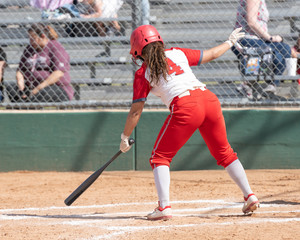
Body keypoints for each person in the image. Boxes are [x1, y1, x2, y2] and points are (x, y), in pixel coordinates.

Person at [119, 25, 260, 220]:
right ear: (160, 41)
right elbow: (210, 54)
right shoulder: (177, 52)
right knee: (225, 153)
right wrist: (229, 42)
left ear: (137, 51)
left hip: (186, 105)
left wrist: (125, 136)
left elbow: (135, 111)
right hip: (209, 99)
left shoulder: (143, 73)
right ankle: (250, 195)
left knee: (159, 158)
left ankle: (163, 207)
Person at [232, 0, 293, 98]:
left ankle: (271, 85)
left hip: (259, 39)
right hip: (245, 38)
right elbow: (251, 22)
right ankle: (248, 83)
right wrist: (270, 38)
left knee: (284, 48)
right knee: (273, 53)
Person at [6, 23, 74, 103]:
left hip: (55, 88)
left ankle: (27, 107)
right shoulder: (29, 49)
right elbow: (20, 70)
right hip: (31, 88)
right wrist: (21, 87)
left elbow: (58, 73)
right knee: (11, 87)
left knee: (44, 93)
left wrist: (38, 89)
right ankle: (23, 108)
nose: (30, 41)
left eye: (33, 38)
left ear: (43, 36)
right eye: (29, 38)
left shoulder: (56, 47)